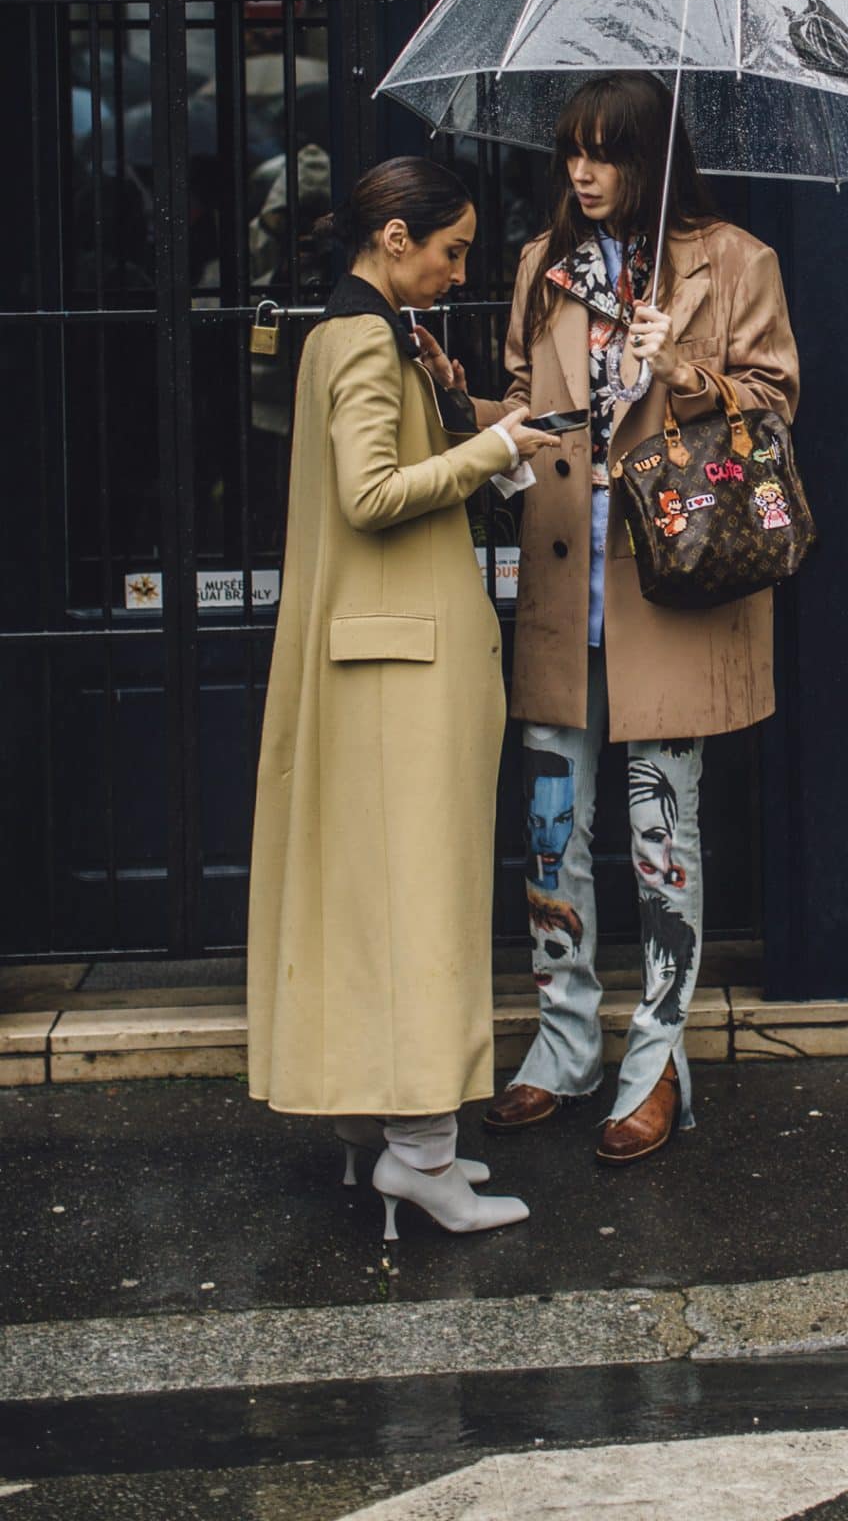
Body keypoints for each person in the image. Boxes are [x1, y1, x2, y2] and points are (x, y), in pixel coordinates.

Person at [481, 72, 800, 1162]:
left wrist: (688, 373)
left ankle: (655, 1059)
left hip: (673, 587)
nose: (584, 171)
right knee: (550, 831)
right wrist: (460, 402)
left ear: (650, 158)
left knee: (664, 838)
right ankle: (561, 1042)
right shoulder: (542, 265)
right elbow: (530, 412)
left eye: (607, 152)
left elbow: (779, 398)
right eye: (573, 149)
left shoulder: (733, 259)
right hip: (566, 592)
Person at [247, 156, 557, 1237]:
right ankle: (419, 1154)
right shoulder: (361, 341)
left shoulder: (371, 337)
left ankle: (380, 1135)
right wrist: (491, 447)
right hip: (401, 670)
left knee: (376, 900)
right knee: (420, 900)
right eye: (451, 248)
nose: (456, 268)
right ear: (393, 239)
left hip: (387, 658)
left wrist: (460, 400)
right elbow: (372, 494)